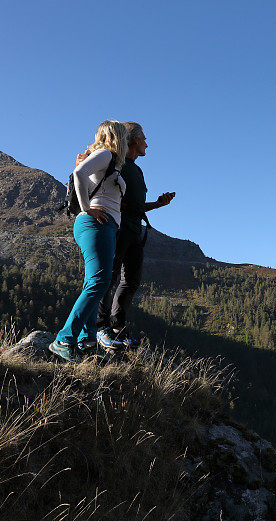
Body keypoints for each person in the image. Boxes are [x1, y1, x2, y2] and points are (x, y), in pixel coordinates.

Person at [77, 122, 175, 350]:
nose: (147, 143)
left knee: (130, 281)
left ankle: (117, 327)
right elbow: (96, 184)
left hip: (133, 229)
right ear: (131, 140)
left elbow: (133, 205)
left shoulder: (136, 170)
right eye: (143, 138)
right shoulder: (116, 162)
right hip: (116, 228)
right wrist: (86, 207)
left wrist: (158, 205)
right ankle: (101, 328)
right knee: (108, 279)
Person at [49, 120, 129, 362]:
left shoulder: (109, 161)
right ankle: (64, 339)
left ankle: (87, 340)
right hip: (96, 224)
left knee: (96, 284)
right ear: (117, 136)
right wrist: (87, 208)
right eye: (124, 135)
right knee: (99, 282)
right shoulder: (105, 154)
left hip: (104, 227)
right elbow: (78, 174)